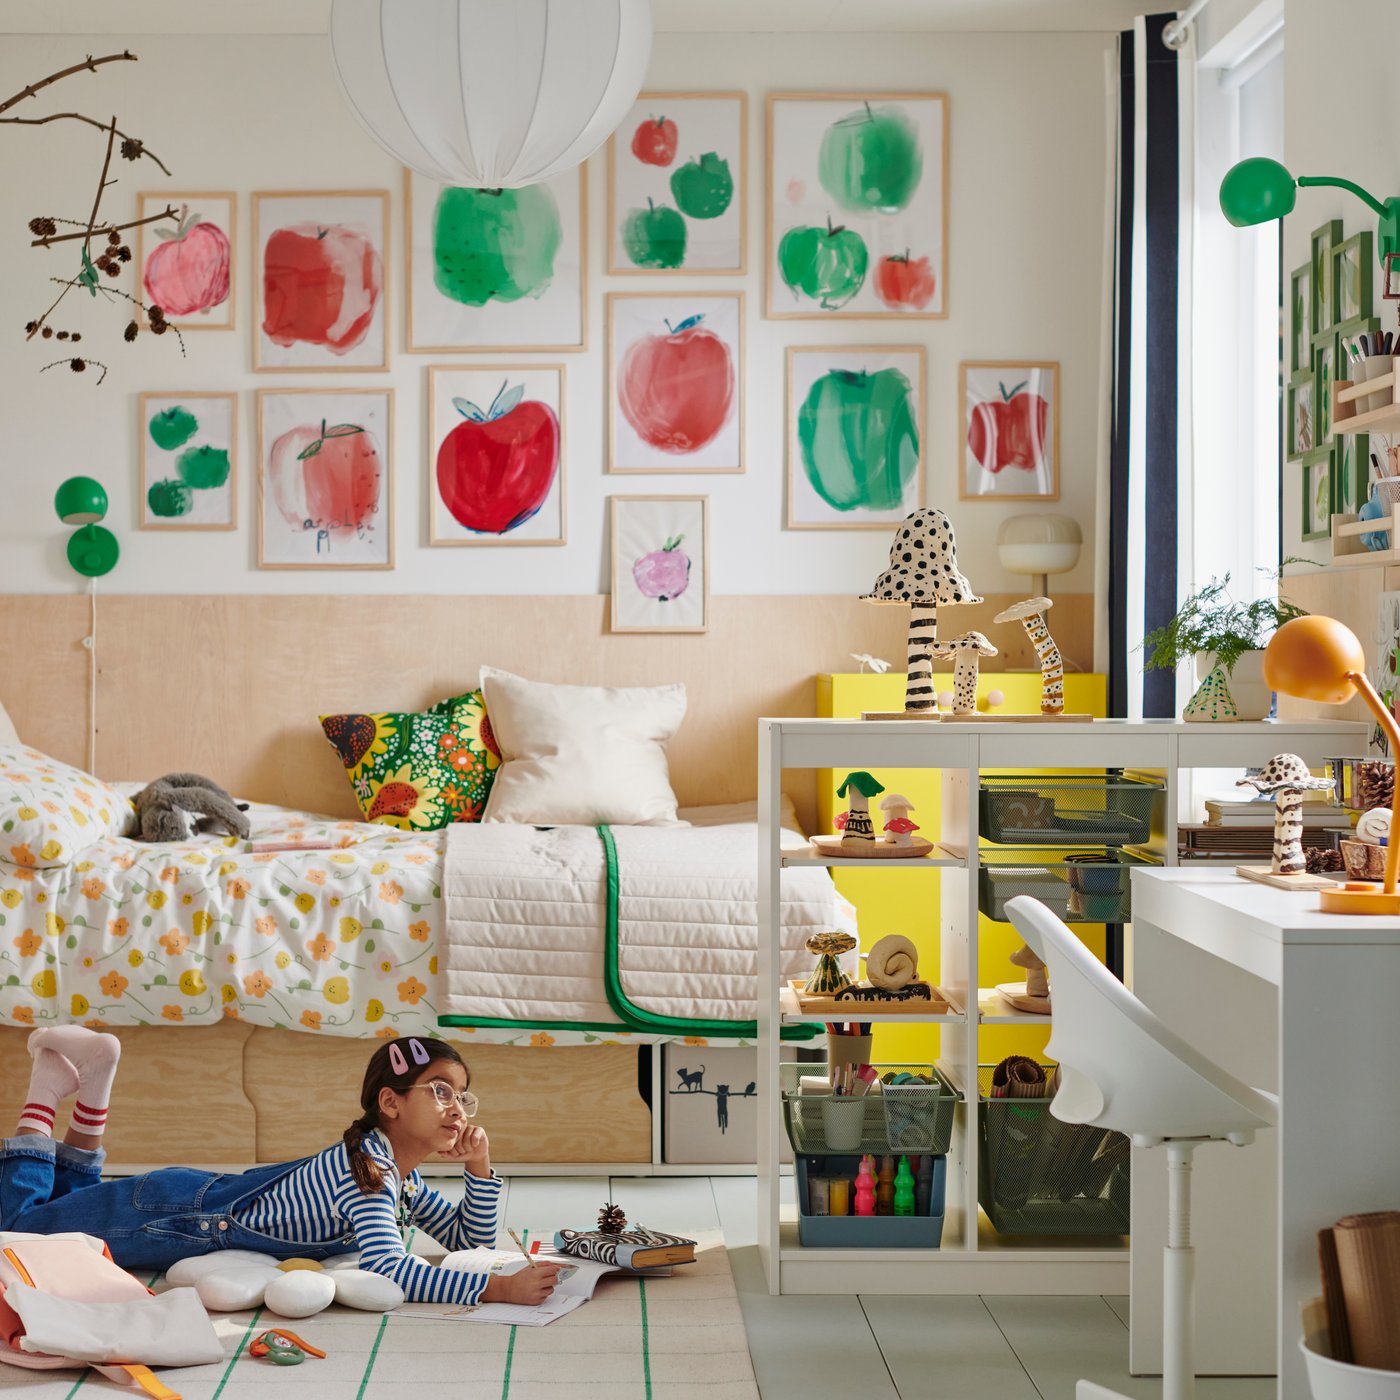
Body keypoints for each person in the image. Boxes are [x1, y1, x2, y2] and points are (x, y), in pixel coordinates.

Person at [0, 1027, 560, 1307]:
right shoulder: (368, 1170)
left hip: (182, 1206)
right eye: (440, 1092)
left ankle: (94, 1081)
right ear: (390, 1104)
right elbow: (391, 1266)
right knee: (18, 1233)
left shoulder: (400, 1175)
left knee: (57, 1221)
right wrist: (494, 1291)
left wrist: (480, 1169)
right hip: (174, 1213)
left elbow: (470, 1241)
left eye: (463, 1097)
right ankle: (47, 1088)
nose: (457, 1109)